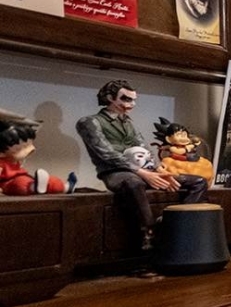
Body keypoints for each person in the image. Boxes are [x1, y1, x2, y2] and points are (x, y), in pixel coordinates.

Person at [77, 79, 207, 248]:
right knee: (134, 183)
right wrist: (142, 172)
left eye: (133, 100)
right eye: (126, 99)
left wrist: (158, 169)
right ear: (109, 98)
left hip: (145, 170)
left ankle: (176, 223)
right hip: (115, 172)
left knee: (199, 182)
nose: (132, 104)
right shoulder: (90, 122)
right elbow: (106, 153)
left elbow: (143, 146)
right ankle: (149, 232)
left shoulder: (128, 122)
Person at [0, 109, 75, 195]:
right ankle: (34, 187)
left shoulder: (15, 161)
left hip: (26, 178)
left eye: (30, 144)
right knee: (21, 183)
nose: (31, 149)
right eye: (21, 148)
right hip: (9, 184)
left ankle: (65, 187)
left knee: (51, 180)